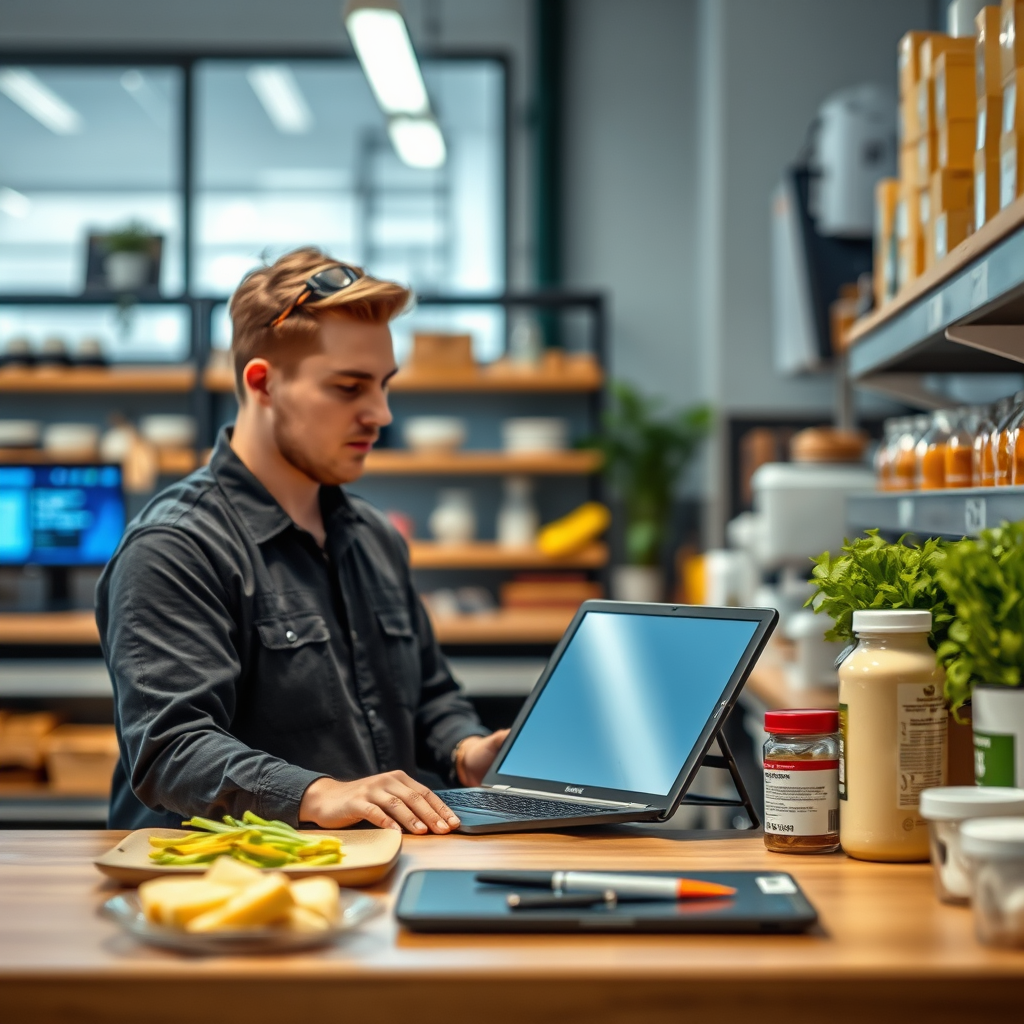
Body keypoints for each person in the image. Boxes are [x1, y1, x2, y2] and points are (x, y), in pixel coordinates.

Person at [97, 247, 508, 833]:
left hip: (374, 874)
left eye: (383, 385)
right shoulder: (173, 548)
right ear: (262, 384)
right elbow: (172, 751)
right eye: (349, 387)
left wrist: (466, 750)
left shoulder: (372, 536)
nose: (381, 413)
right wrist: (319, 795)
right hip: (224, 896)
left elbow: (432, 697)